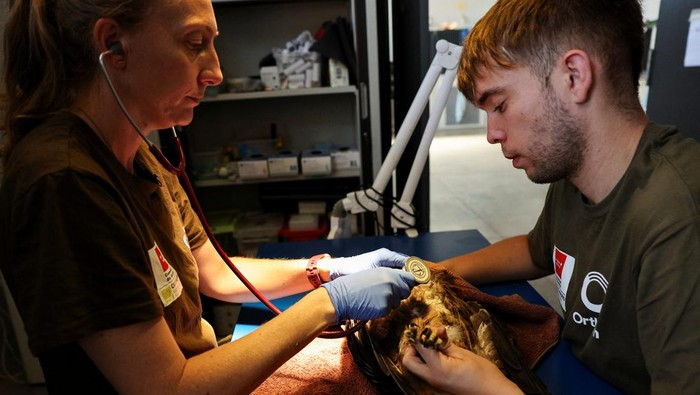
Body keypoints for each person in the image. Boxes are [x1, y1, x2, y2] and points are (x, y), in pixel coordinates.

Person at [0, 0, 417, 393]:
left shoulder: (137, 154)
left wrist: (324, 270)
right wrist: (327, 304)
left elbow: (213, 272)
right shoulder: (65, 181)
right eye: (194, 44)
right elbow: (168, 387)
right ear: (113, 44)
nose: (216, 72)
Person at [401, 0, 700, 393]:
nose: (491, 133)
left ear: (573, 76)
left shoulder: (678, 216)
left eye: (500, 105)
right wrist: (433, 271)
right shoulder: (573, 176)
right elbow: (535, 250)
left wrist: (489, 388)